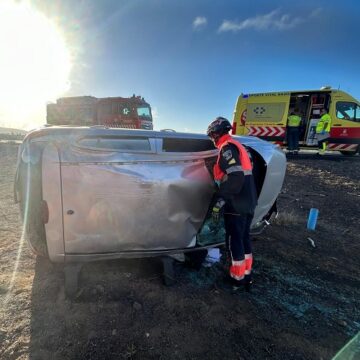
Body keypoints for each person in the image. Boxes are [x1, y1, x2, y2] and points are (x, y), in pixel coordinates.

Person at [207, 117, 258, 292]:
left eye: (212, 135)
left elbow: (235, 178)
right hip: (249, 201)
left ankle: (236, 279)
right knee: (244, 239)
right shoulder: (238, 146)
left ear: (215, 133)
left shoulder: (227, 148)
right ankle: (246, 276)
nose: (212, 139)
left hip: (236, 204)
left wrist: (219, 201)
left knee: (234, 241)